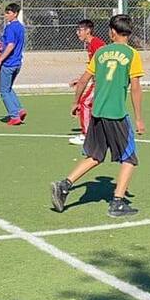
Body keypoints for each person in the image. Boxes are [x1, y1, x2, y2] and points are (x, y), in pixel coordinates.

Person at [50, 14, 145, 218]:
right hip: (116, 114)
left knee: (95, 155)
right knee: (129, 158)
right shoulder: (132, 55)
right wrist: (138, 118)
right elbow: (136, 88)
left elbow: (83, 80)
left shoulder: (100, 52)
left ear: (112, 32)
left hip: (97, 113)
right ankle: (117, 202)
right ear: (128, 32)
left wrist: (76, 101)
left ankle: (64, 185)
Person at [68, 19, 106, 146]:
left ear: (88, 31)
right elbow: (93, 67)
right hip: (99, 80)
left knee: (84, 103)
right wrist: (81, 78)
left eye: (80, 30)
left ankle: (86, 135)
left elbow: (103, 63)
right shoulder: (91, 45)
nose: (77, 33)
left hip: (102, 82)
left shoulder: (97, 44)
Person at [0, 2, 27, 126]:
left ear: (15, 14)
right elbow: (12, 44)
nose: (6, 15)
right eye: (5, 12)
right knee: (8, 88)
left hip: (9, 64)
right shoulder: (20, 27)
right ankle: (19, 109)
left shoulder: (10, 27)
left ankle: (14, 115)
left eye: (9, 13)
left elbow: (11, 45)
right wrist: (0, 49)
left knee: (3, 91)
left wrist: (0, 60)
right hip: (17, 63)